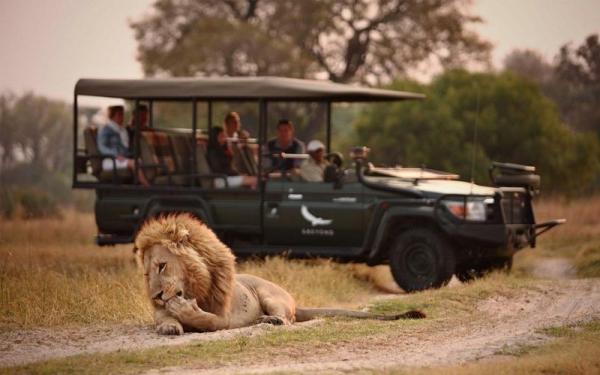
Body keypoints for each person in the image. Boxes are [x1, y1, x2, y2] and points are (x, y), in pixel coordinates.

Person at [97, 105, 149, 185]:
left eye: (122, 114)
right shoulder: (105, 130)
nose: (122, 117)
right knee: (134, 163)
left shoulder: (122, 130)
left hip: (122, 158)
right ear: (113, 116)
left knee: (143, 161)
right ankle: (146, 186)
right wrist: (115, 155)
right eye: (119, 115)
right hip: (111, 160)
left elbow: (125, 148)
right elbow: (102, 147)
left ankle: (145, 183)